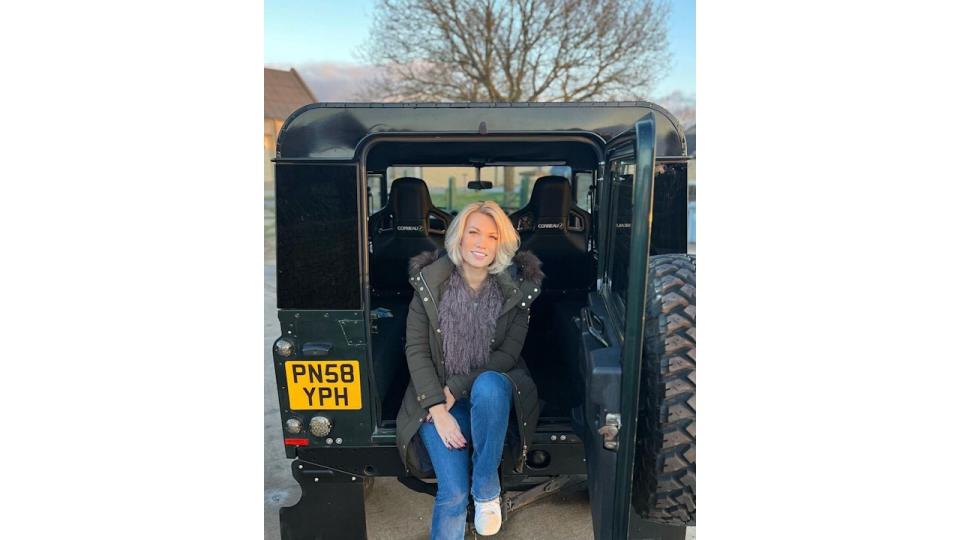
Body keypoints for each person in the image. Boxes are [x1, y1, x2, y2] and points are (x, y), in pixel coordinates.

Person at [395, 200, 545, 539]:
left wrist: (457, 387)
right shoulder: (429, 286)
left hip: (486, 396)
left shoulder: (518, 291)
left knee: (490, 384)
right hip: (437, 401)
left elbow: (509, 353)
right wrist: (437, 405)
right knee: (452, 495)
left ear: (501, 245)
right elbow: (415, 349)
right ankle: (470, 495)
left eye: (492, 236)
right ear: (458, 238)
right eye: (473, 232)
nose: (481, 243)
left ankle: (486, 487)